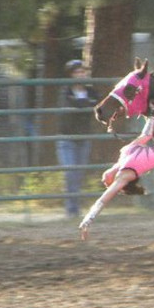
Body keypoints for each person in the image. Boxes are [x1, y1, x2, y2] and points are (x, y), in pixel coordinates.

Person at [57, 60, 99, 218]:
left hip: (83, 138)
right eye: (76, 72)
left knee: (78, 174)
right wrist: (85, 104)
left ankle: (74, 208)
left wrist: (81, 104)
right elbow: (72, 106)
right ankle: (71, 210)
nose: (80, 75)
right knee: (70, 172)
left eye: (82, 72)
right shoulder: (65, 91)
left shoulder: (91, 91)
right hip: (67, 138)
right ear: (70, 75)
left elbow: (97, 105)